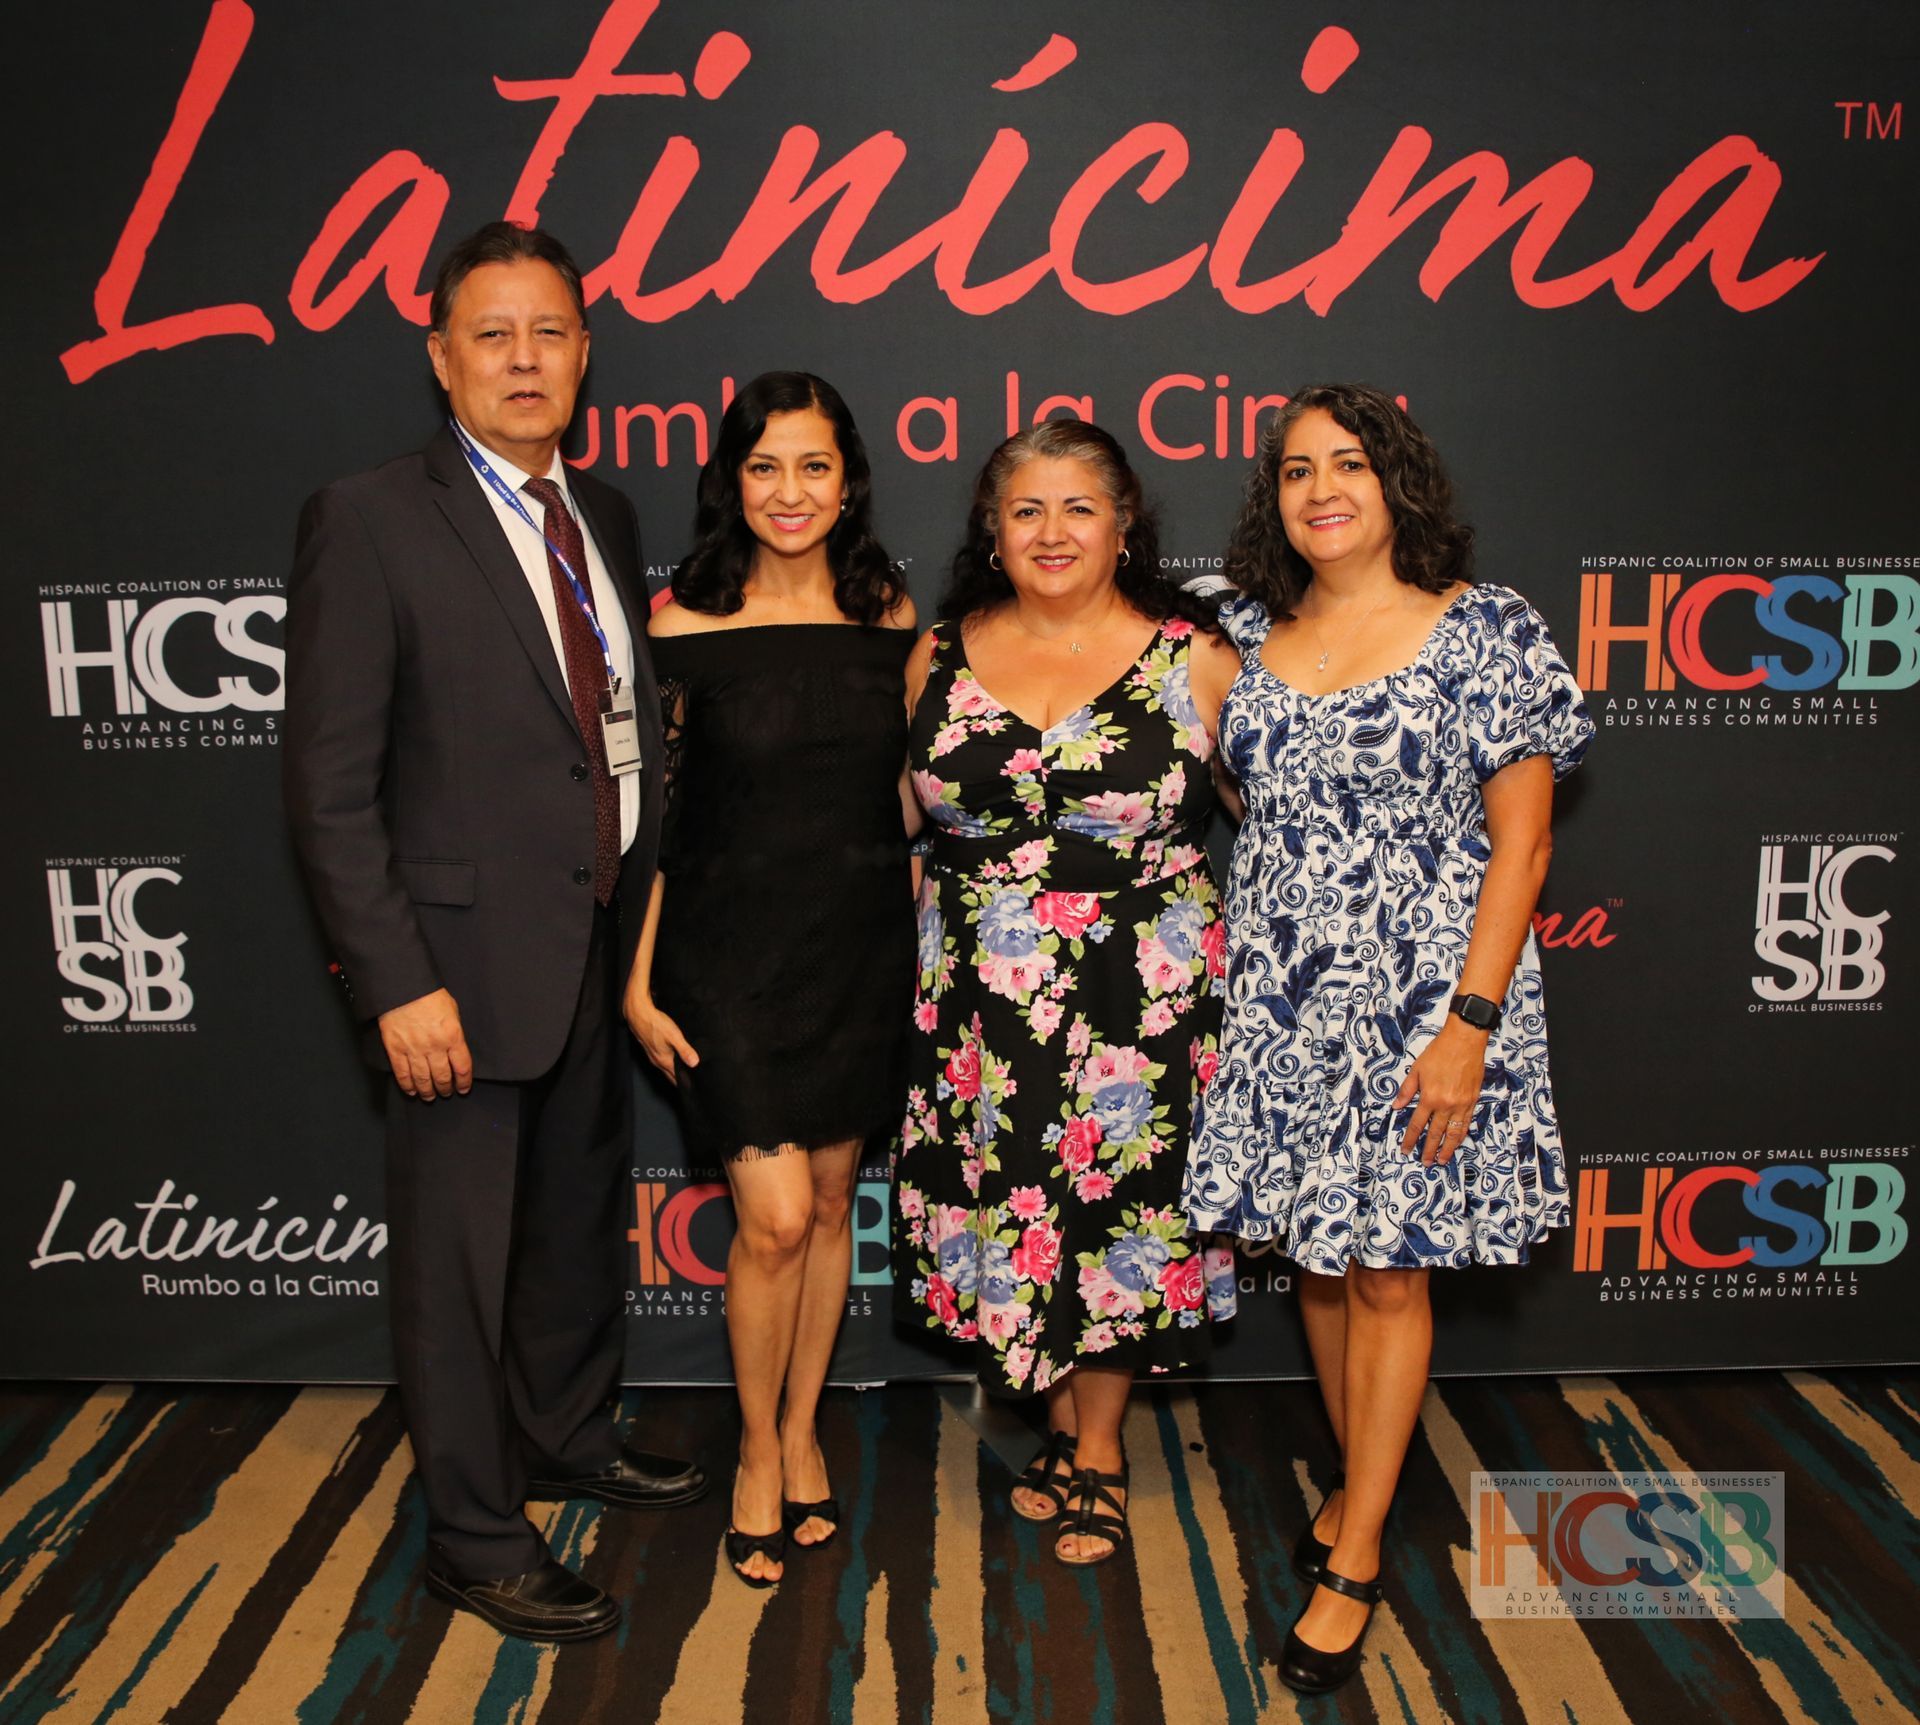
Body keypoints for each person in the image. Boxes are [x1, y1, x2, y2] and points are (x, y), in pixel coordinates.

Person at [284, 221, 705, 1644]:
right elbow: (328, 787)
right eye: (493, 334)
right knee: (458, 1267)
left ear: (585, 353)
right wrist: (395, 981)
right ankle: (473, 1531)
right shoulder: (368, 517)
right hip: (454, 972)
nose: (525, 360)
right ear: (441, 357)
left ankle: (568, 1434)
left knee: (574, 1224)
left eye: (550, 333)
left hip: (592, 938)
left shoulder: (608, 516)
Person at [1181, 383, 1592, 1694]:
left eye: (1348, 463)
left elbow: (1524, 845)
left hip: (1428, 1002)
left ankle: (1355, 1552)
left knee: (1387, 1273)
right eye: (1297, 470)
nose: (1321, 490)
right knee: (1318, 1257)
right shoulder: (1247, 634)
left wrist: (1469, 1026)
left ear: (1396, 479)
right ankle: (1362, 1479)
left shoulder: (1486, 631)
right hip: (1287, 1000)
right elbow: (1246, 795)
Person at [893, 419, 1241, 1567]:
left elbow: (1275, 820)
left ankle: (1099, 1449)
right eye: (1027, 509)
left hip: (1142, 992)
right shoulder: (935, 653)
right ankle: (1053, 1422)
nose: (1053, 532)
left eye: (1078, 507)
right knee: (1018, 1203)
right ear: (993, 531)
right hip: (979, 999)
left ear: (1124, 523)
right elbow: (888, 821)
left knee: (1116, 1208)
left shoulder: (1195, 656)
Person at [625, 373, 917, 1587]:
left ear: (848, 482)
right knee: (778, 1218)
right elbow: (653, 821)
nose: (789, 492)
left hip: (857, 946)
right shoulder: (679, 624)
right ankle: (756, 1448)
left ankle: (803, 1433)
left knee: (834, 1200)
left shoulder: (892, 617)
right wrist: (638, 981)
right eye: (764, 467)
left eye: (813, 466)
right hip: (724, 956)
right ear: (730, 482)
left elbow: (908, 797)